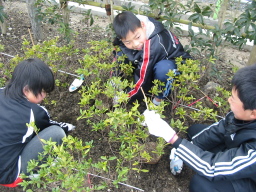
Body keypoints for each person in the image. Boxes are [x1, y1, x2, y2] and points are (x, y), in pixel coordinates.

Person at [143, 64, 256, 192]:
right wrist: (184, 149)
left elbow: (212, 168)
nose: (229, 100)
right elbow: (217, 130)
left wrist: (173, 139)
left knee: (201, 185)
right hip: (238, 147)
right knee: (195, 131)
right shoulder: (242, 115)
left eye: (234, 99)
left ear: (253, 113)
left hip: (251, 180)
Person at [0, 58, 76, 185]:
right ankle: (38, 175)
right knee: (57, 133)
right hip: (8, 175)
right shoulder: (34, 112)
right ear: (26, 90)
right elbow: (51, 127)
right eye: (42, 92)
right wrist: (68, 127)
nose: (44, 96)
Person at [112, 11, 191, 105]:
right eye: (128, 42)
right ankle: (116, 86)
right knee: (121, 53)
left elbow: (143, 81)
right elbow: (118, 54)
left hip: (176, 67)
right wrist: (113, 82)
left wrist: (124, 98)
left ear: (143, 25)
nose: (135, 44)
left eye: (137, 37)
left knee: (164, 69)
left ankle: (158, 101)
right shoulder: (137, 26)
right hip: (154, 60)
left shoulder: (154, 45)